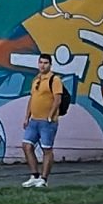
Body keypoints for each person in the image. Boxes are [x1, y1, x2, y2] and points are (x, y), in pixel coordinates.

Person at [20, 53, 70, 188]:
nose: (42, 65)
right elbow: (32, 99)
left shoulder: (54, 80)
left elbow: (57, 99)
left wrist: (50, 116)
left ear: (50, 64)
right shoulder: (36, 79)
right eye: (40, 62)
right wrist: (26, 117)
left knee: (47, 149)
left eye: (45, 63)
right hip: (34, 120)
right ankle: (34, 176)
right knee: (27, 146)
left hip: (47, 122)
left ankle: (44, 179)